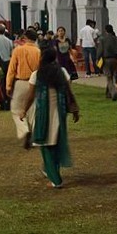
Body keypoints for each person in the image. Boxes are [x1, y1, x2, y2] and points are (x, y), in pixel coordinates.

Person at [17, 45, 80, 188]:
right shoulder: (62, 72)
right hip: (60, 112)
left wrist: (23, 110)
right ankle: (49, 170)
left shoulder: (37, 74)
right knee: (56, 143)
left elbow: (31, 96)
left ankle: (55, 179)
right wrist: (74, 109)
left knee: (45, 145)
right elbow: (69, 91)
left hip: (43, 115)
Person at [6, 28, 42, 146]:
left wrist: (8, 85)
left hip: (21, 82)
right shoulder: (38, 52)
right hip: (35, 83)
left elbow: (11, 69)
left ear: (25, 38)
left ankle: (24, 130)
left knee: (16, 109)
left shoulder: (18, 50)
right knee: (33, 110)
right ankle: (36, 135)